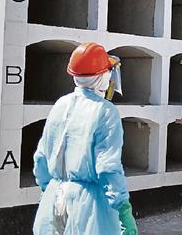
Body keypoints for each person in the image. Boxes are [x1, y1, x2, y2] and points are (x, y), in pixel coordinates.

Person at [33, 42, 138, 235]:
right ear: (102, 76)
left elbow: (41, 157)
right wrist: (123, 209)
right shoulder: (106, 111)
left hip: (54, 197)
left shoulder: (60, 105)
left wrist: (48, 190)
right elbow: (108, 167)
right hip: (88, 207)